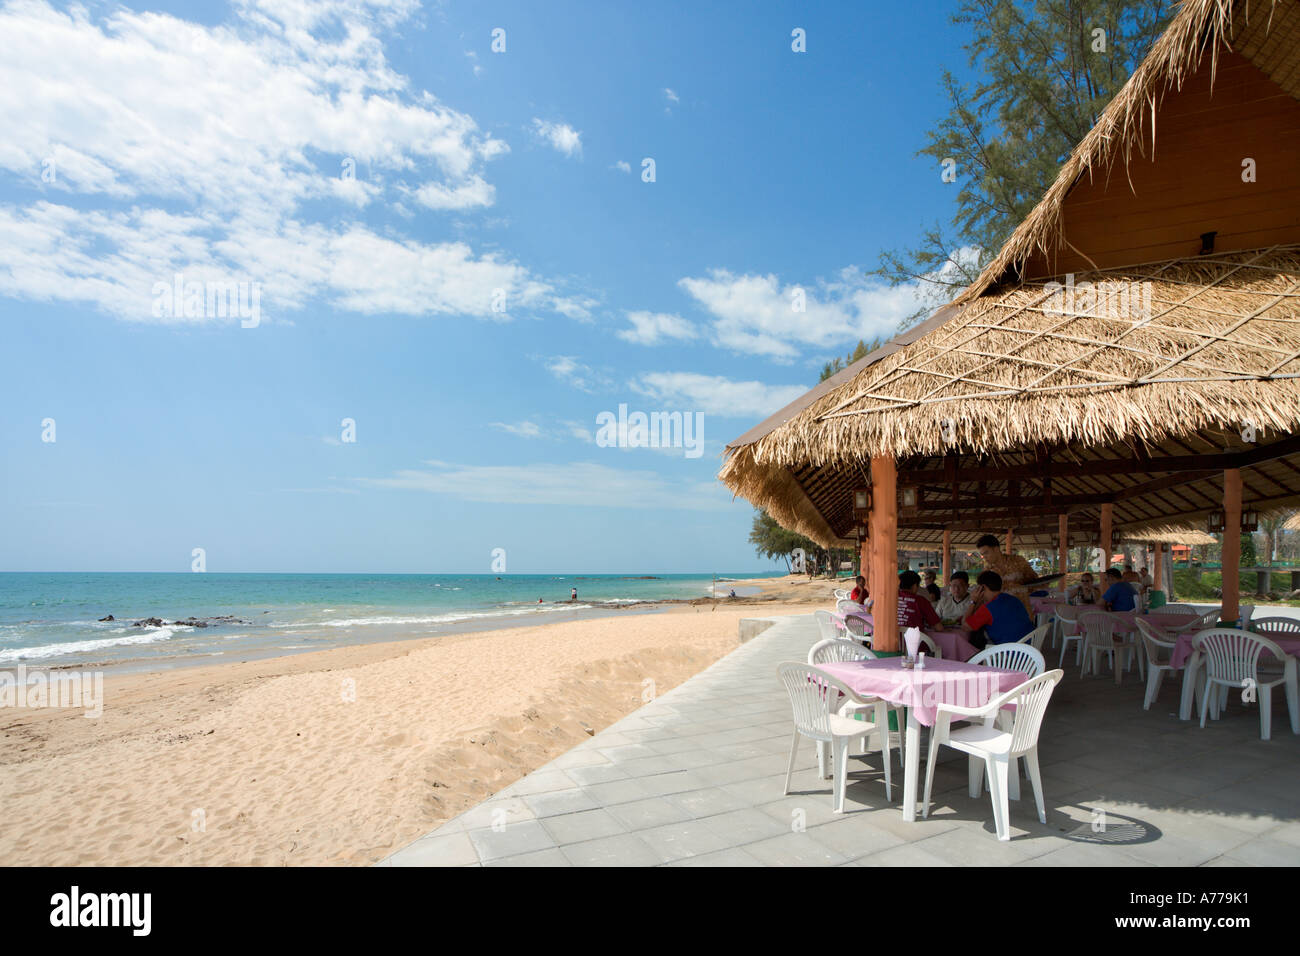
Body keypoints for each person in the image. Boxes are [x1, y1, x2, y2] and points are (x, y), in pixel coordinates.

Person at [962, 570, 1034, 648]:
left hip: (1010, 653)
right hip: (1029, 648)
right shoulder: (1013, 599)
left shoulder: (989, 608)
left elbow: (965, 627)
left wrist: (973, 601)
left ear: (982, 587)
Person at [976, 534, 1035, 616]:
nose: (984, 557)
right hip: (1001, 615)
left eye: (986, 553)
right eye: (982, 555)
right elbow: (983, 597)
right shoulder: (987, 572)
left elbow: (1034, 581)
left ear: (996, 549)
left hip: (1023, 612)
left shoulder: (1018, 561)